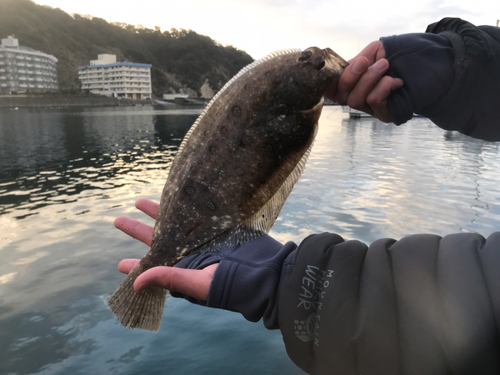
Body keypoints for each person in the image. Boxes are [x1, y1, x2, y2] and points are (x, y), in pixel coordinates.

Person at [114, 18, 500, 374]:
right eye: (312, 62)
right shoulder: (295, 108)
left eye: (315, 62)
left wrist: (286, 283)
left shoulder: (295, 107)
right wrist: (451, 63)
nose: (323, 61)